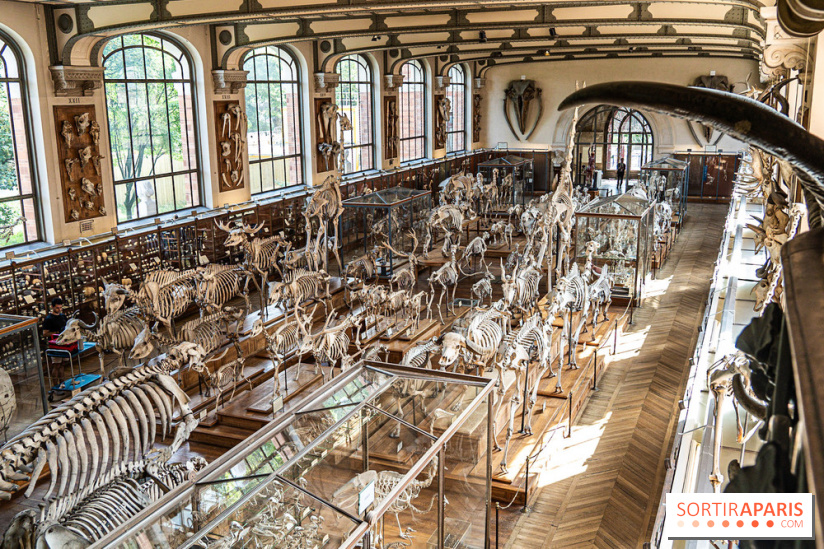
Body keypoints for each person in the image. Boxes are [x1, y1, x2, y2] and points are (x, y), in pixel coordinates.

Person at [42, 298, 68, 382]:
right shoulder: (49, 319)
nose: (59, 310)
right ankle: (55, 385)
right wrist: (56, 332)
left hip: (63, 344)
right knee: (56, 365)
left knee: (62, 364)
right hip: (55, 345)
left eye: (60, 308)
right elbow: (45, 333)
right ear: (52, 307)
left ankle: (62, 383)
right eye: (57, 308)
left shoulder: (63, 316)